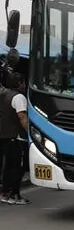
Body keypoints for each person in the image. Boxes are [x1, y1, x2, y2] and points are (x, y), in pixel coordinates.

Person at [0, 72, 29, 205]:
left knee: (8, 166)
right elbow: (22, 116)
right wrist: (30, 132)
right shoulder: (19, 97)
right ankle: (11, 194)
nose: (24, 85)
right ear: (19, 83)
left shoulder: (3, 94)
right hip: (15, 137)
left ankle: (6, 193)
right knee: (17, 167)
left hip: (4, 135)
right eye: (23, 82)